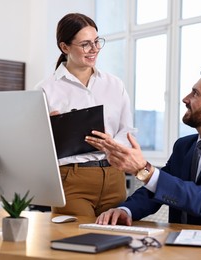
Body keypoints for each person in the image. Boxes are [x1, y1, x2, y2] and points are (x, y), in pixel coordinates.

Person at [85, 63, 201, 229]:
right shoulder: (184, 147)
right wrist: (125, 210)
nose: (185, 99)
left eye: (195, 94)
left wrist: (143, 169)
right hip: (181, 244)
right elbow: (155, 191)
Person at [36, 13, 135, 217]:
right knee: (75, 241)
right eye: (86, 44)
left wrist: (111, 144)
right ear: (65, 47)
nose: (94, 49)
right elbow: (34, 146)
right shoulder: (45, 90)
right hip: (72, 179)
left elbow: (127, 130)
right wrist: (52, 130)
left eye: (97, 42)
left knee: (114, 241)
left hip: (114, 176)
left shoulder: (114, 84)